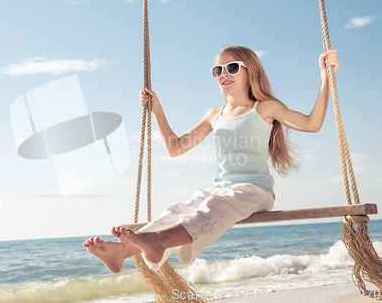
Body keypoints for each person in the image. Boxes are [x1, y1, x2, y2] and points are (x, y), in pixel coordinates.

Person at [83, 45, 340, 273]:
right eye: (218, 70)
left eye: (232, 67)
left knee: (214, 206)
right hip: (221, 190)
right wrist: (157, 110)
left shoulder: (263, 107)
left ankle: (158, 242)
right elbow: (174, 148)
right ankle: (121, 252)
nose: (224, 73)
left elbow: (311, 123)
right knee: (178, 210)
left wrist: (325, 77)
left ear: (251, 71)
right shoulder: (215, 114)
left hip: (255, 191)